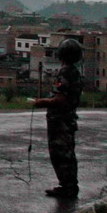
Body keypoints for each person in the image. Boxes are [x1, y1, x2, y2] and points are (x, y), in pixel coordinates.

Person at [32, 38, 83, 199]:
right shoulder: (75, 72)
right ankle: (69, 185)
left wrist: (41, 102)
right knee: (68, 153)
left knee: (60, 154)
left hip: (60, 120)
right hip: (68, 118)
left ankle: (67, 187)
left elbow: (60, 99)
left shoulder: (64, 73)